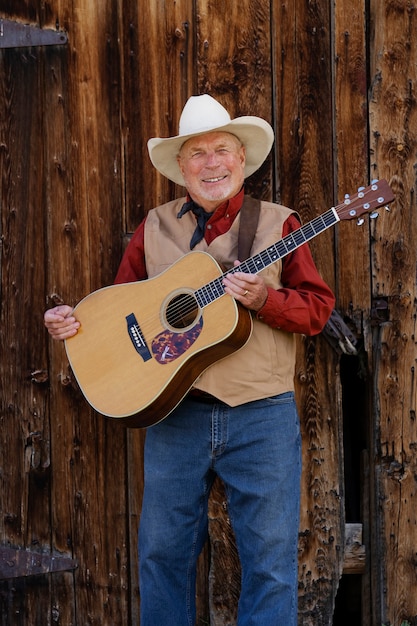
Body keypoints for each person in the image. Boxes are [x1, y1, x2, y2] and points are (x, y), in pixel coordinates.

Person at [44, 94, 335, 625]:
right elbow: (120, 313)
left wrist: (264, 300)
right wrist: (72, 324)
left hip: (261, 415)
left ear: (241, 159)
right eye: (197, 154)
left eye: (221, 150)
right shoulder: (152, 229)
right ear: (181, 166)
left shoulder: (279, 224)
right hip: (176, 416)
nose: (211, 163)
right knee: (162, 558)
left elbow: (317, 310)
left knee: (269, 565)